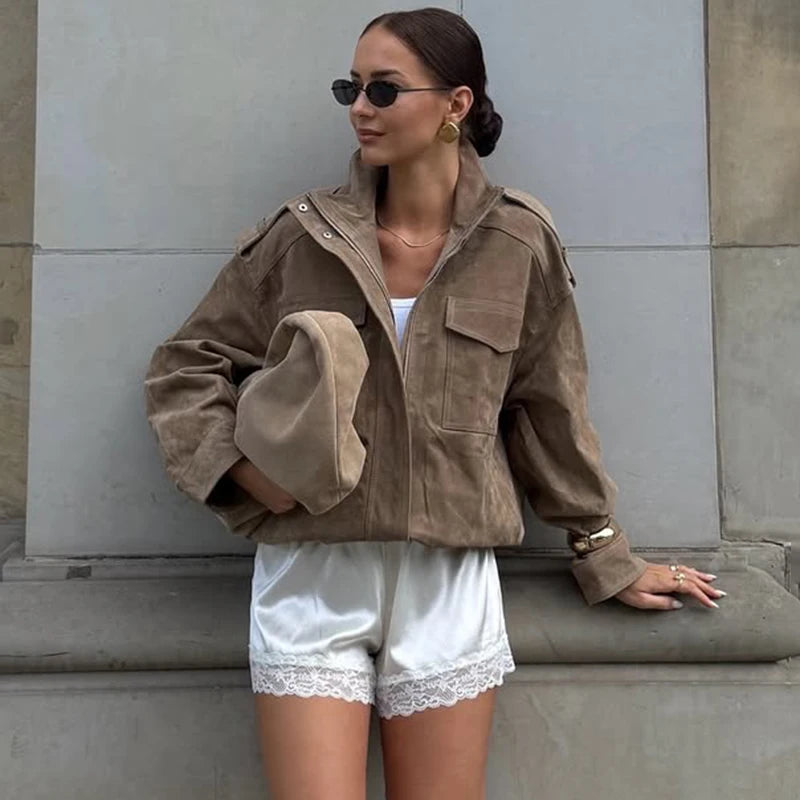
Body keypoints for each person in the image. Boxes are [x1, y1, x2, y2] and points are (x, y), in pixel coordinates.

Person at [144, 8, 726, 800]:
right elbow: (186, 367)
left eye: (383, 89)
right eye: (351, 87)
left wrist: (606, 552)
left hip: (449, 579)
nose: (360, 107)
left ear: (455, 105)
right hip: (313, 572)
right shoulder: (300, 238)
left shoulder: (519, 242)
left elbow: (548, 411)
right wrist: (242, 471)